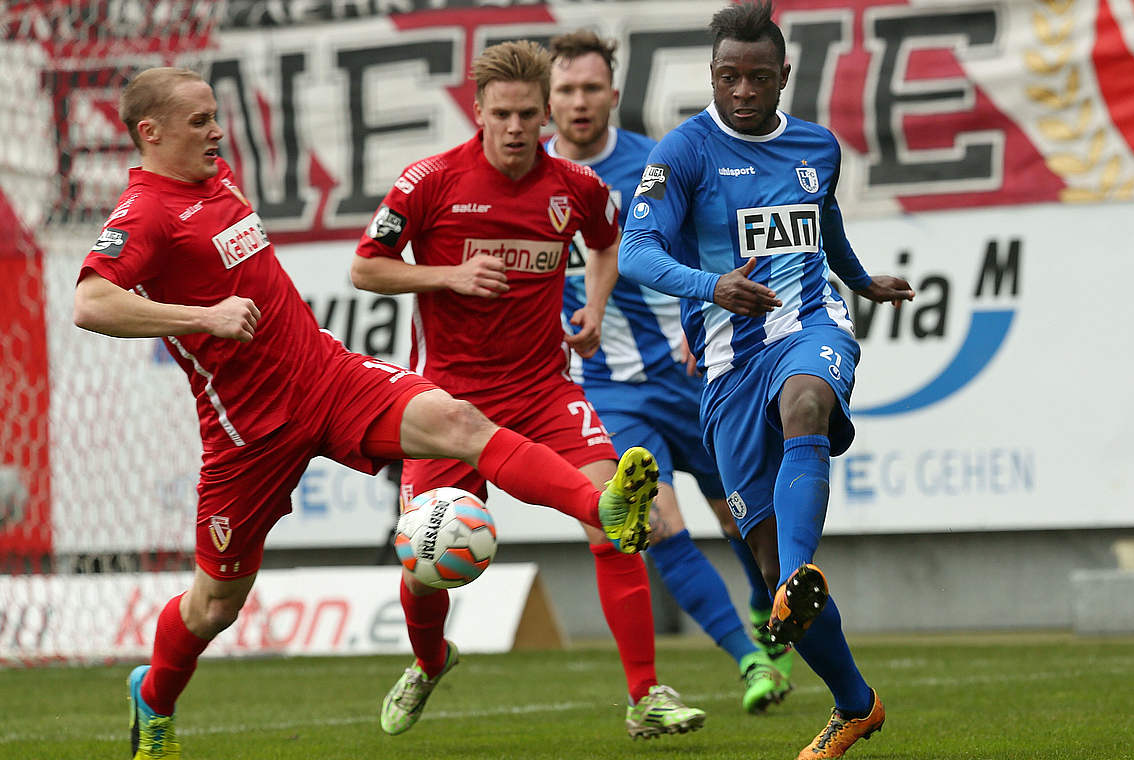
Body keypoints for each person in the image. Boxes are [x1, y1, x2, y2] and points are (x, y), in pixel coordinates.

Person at [76, 67, 657, 760]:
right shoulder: (145, 213)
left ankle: (605, 509)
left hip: (326, 376)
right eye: (200, 121)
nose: (217, 131)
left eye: (215, 116)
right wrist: (202, 316)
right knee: (214, 607)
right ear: (151, 133)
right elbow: (91, 302)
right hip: (247, 433)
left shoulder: (216, 177)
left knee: (459, 423)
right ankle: (156, 698)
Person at [349, 41, 704, 740]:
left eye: (526, 116)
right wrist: (446, 276)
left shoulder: (574, 186)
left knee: (613, 525)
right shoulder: (430, 182)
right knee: (424, 572)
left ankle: (646, 695)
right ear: (477, 112)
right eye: (500, 114)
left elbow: (607, 244)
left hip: (544, 389)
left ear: (547, 115)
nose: (515, 128)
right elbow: (367, 269)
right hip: (447, 404)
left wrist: (595, 308)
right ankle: (429, 661)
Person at [617, 3, 916, 758]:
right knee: (763, 558)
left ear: (784, 75)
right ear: (711, 77)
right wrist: (711, 286)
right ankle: (856, 705)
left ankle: (798, 573)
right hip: (725, 367)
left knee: (807, 402)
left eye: (757, 76)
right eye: (728, 76)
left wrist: (857, 280)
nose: (743, 90)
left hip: (811, 325)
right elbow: (635, 253)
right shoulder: (682, 153)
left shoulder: (817, 145)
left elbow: (826, 216)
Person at [546, 28, 795, 714]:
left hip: (691, 372)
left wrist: (704, 323)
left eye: (591, 88)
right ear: (548, 100)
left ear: (613, 95)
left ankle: (759, 602)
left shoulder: (659, 164)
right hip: (607, 389)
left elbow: (709, 249)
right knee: (656, 526)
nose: (578, 101)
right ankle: (750, 663)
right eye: (565, 90)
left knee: (747, 518)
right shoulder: (531, 178)